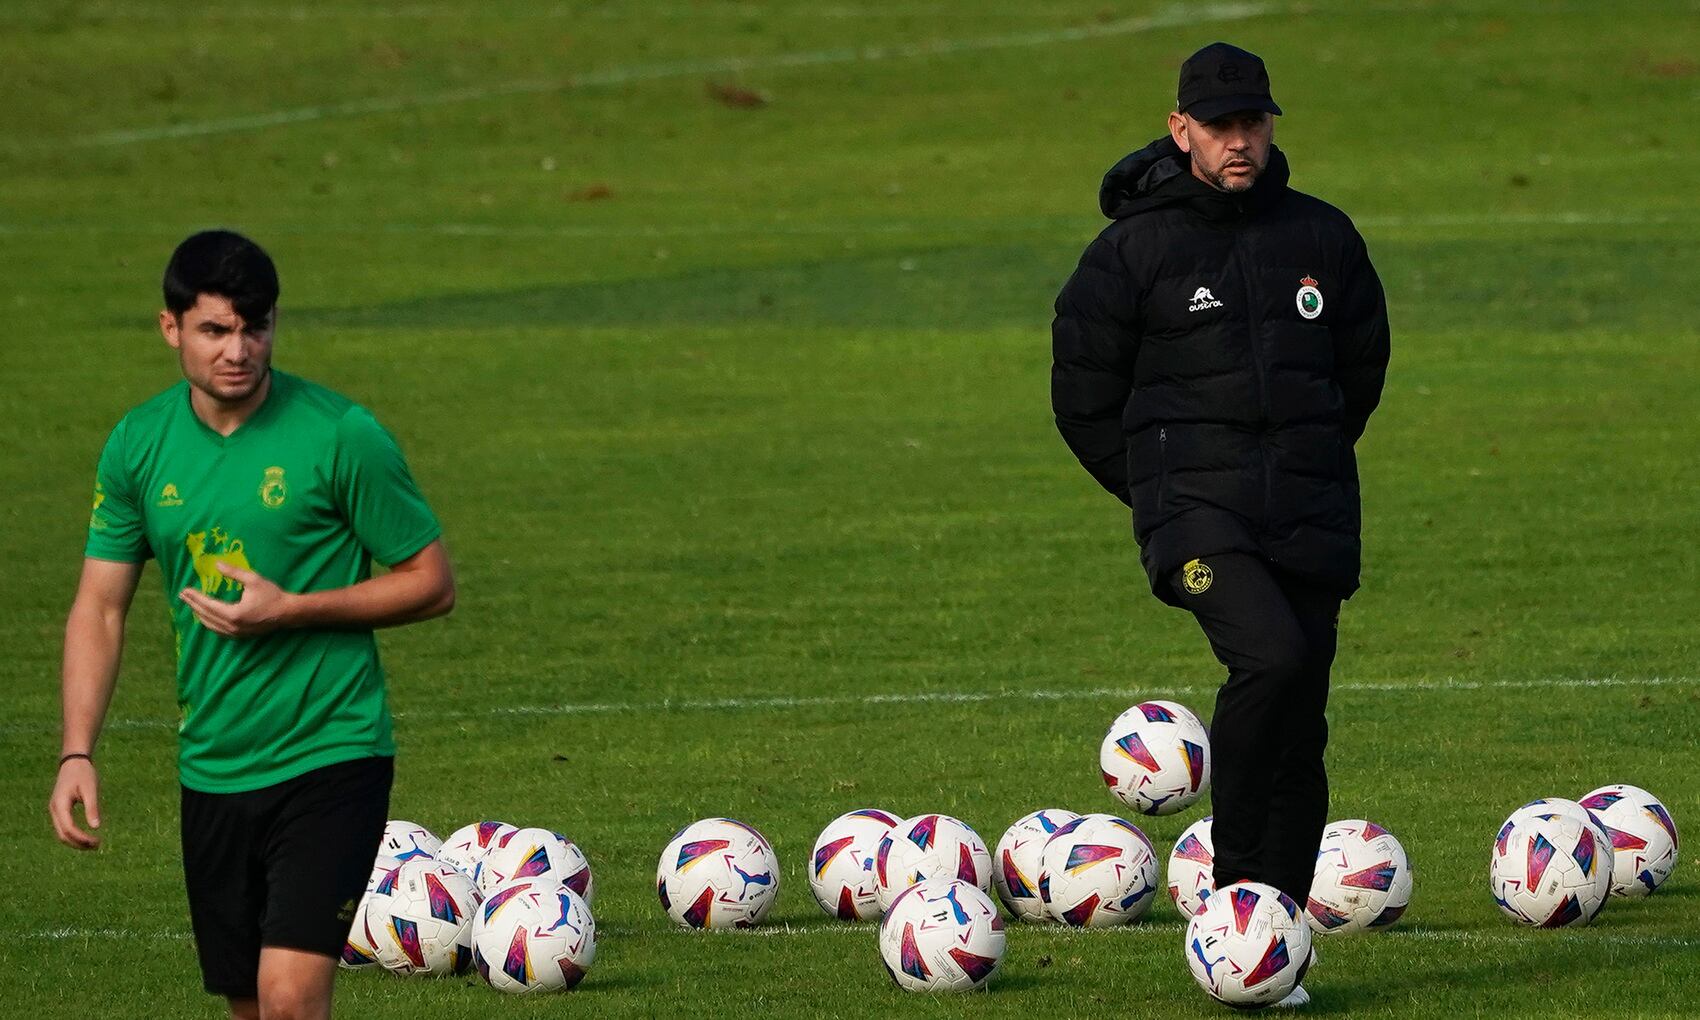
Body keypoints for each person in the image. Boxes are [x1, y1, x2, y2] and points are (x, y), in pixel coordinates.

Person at [1051, 42, 1389, 1004]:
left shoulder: (1322, 237)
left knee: (1300, 725)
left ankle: (1271, 945)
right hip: (1196, 516)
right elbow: (1081, 395)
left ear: (1272, 126)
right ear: (1181, 128)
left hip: (1311, 511)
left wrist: (1310, 455)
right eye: (1221, 126)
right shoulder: (1132, 252)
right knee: (1269, 660)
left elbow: (1359, 371)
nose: (1240, 142)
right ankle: (1237, 893)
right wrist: (1160, 491)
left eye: (1255, 123)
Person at [48, 230, 457, 1020]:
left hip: (331, 752)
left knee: (289, 1000)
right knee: (248, 1006)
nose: (239, 350)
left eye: (255, 327)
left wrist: (291, 610)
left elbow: (432, 584)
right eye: (215, 330)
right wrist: (76, 751)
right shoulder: (138, 447)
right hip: (214, 767)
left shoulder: (341, 434)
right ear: (171, 328)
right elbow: (99, 605)